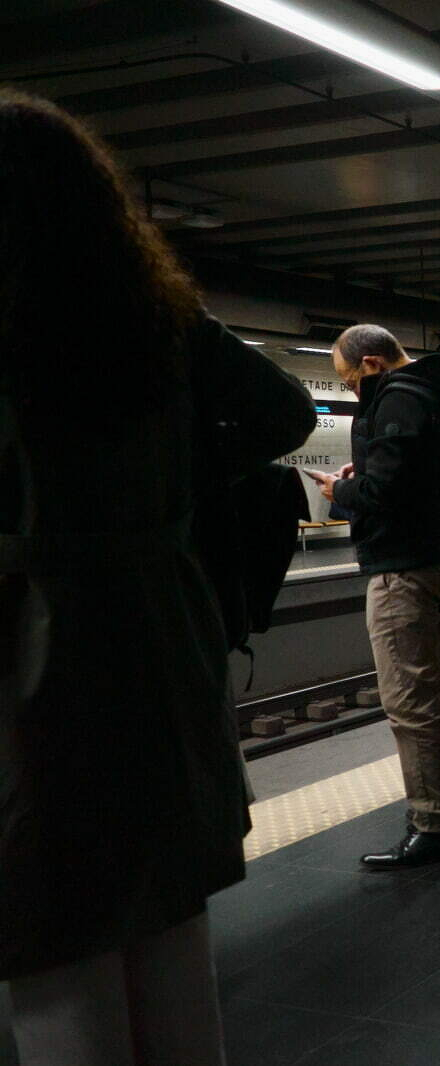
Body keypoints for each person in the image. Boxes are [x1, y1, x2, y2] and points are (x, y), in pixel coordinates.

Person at [0, 90, 315, 1066]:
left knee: (55, 953)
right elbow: (283, 413)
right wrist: (170, 499)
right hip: (167, 654)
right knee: (170, 942)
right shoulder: (161, 325)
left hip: (38, 667)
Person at [321, 323, 440, 869]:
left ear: (371, 364)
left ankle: (433, 823)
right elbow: (413, 474)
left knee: (409, 701)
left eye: (350, 382)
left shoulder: (398, 399)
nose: (353, 393)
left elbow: (384, 494)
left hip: (403, 568)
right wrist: (366, 473)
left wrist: (342, 490)